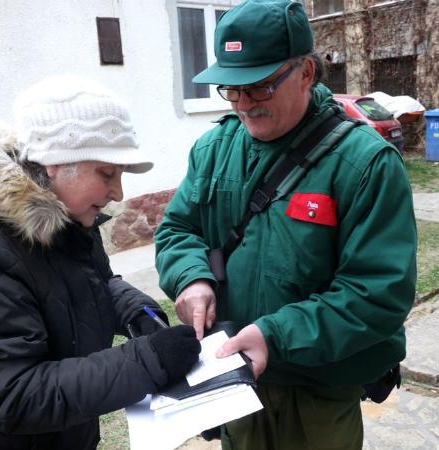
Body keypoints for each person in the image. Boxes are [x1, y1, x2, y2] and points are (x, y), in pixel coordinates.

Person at [154, 1, 417, 449]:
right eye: (231, 90)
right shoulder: (214, 149)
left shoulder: (364, 163)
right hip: (236, 384)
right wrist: (190, 277)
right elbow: (178, 230)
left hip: (318, 390)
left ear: (306, 73)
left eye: (259, 88)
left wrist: (275, 336)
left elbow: (378, 292)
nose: (244, 106)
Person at [0, 75, 201, 450]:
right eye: (107, 173)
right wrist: (145, 362)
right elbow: (9, 392)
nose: (118, 193)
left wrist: (135, 310)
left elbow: (88, 282)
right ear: (53, 165)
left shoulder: (68, 217)